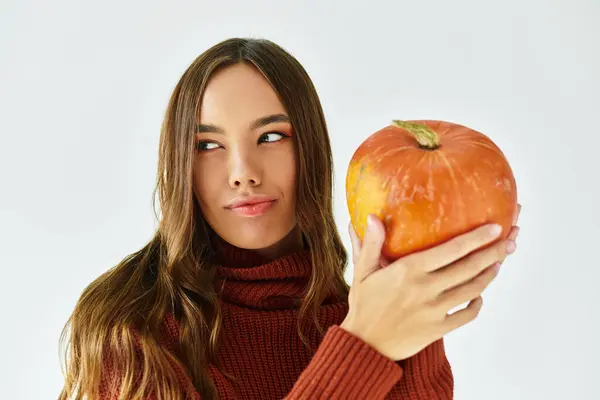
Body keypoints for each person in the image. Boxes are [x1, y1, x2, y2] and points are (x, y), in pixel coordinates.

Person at [58, 37, 520, 400]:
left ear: (311, 153)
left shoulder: (365, 316)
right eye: (209, 145)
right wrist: (362, 349)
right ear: (182, 167)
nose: (243, 174)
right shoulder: (131, 330)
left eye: (272, 136)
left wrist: (413, 286)